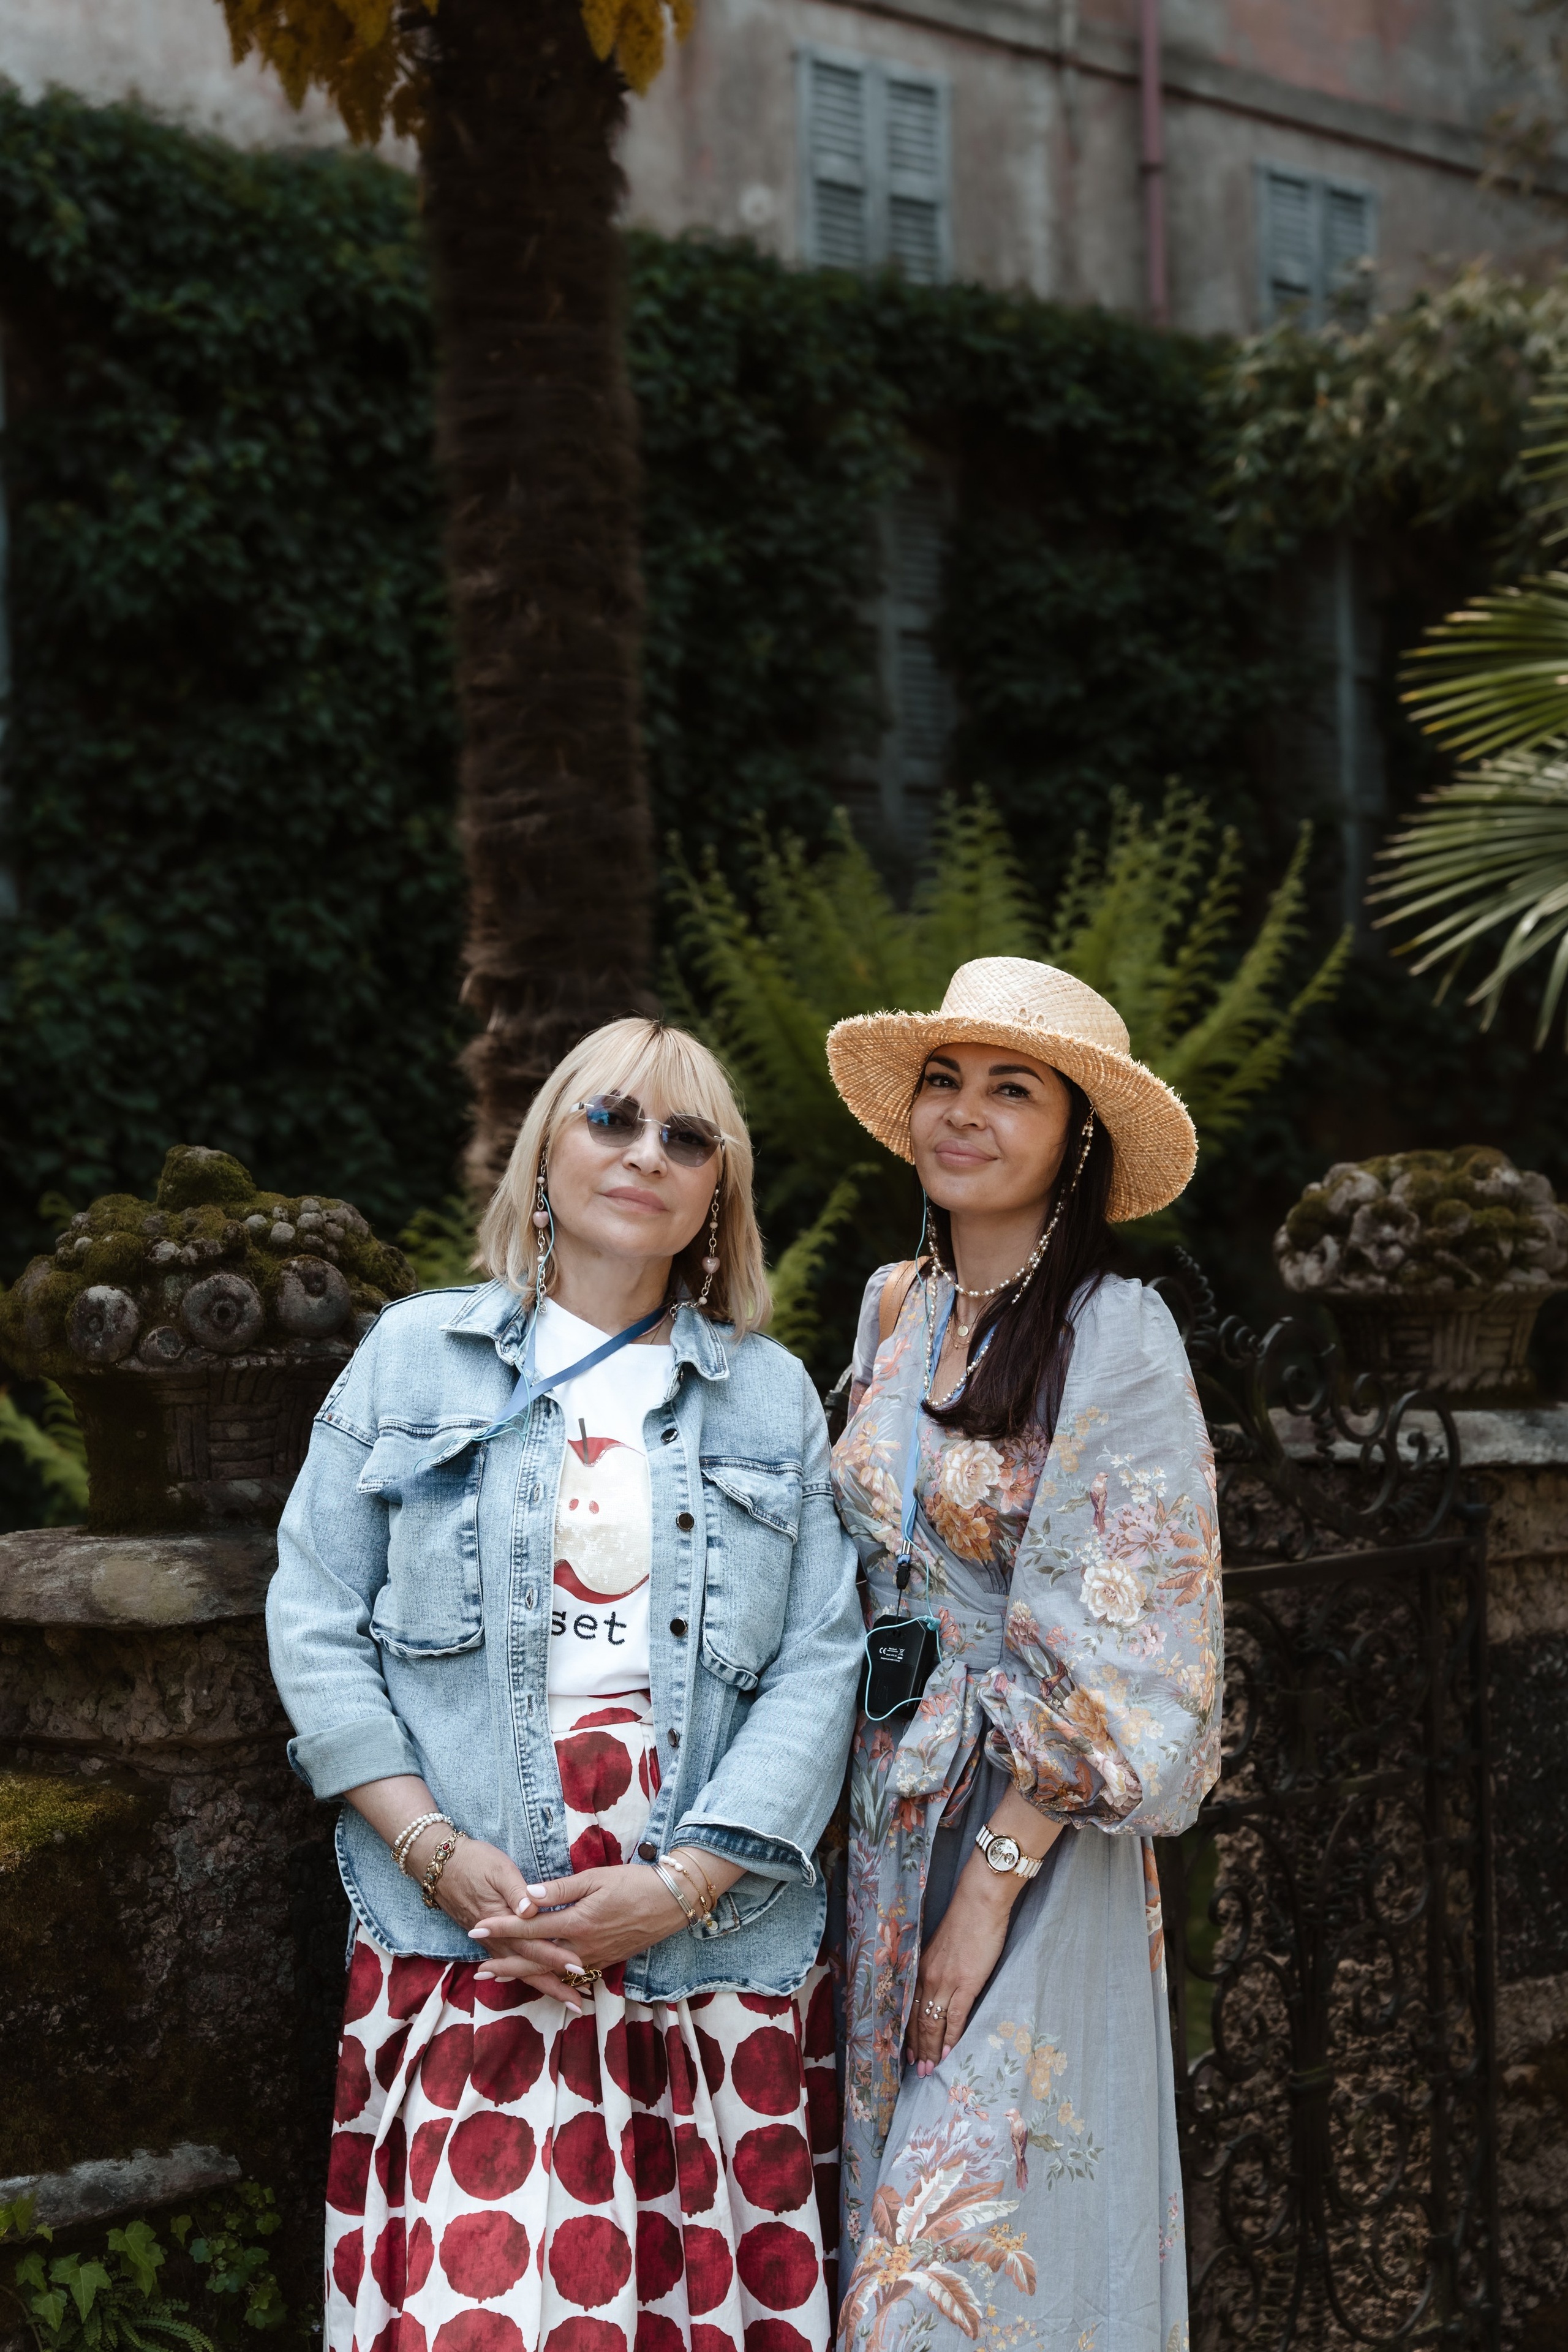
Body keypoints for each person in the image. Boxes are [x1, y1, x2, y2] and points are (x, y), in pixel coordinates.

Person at [268, 1019, 863, 2352]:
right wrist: (428, 1846)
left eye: (686, 1136)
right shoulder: (414, 1360)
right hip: (473, 1944)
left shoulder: (771, 1402)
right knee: (473, 2316)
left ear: (720, 1195)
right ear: (543, 1154)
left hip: (701, 1966)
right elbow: (312, 1616)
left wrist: (683, 1884)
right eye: (611, 1118)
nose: (645, 1153)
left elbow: (823, 1660)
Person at [824, 956, 1221, 2352]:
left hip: (1026, 1836)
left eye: (1011, 1089)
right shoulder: (891, 1310)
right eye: (944, 1079)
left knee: (948, 2275)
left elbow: (1137, 1649)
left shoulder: (1115, 1335)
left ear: (1074, 1136)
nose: (962, 1113)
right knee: (875, 2202)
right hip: (878, 1813)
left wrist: (989, 1887)